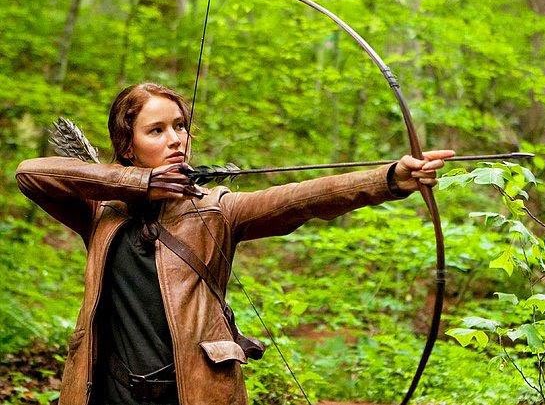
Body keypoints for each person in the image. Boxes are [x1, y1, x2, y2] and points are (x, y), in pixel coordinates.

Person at [16, 83, 454, 405]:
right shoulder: (101, 212)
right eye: (156, 130)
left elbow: (302, 198)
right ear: (128, 147)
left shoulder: (216, 209)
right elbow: (30, 174)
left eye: (180, 126)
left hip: (193, 391)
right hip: (110, 392)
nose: (176, 139)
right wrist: (140, 183)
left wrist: (389, 178)